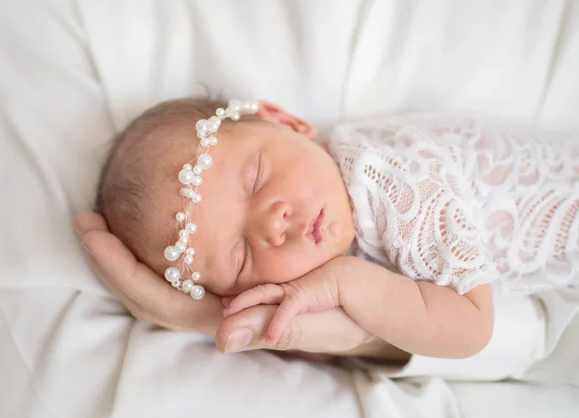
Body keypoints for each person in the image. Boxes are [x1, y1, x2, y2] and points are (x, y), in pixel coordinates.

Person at [76, 96, 579, 360]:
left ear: (287, 121)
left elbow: (471, 328)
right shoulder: (341, 242)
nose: (273, 224)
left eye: (255, 179)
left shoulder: (388, 179)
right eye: (241, 257)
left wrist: (347, 284)